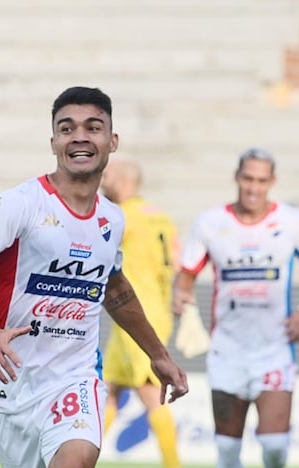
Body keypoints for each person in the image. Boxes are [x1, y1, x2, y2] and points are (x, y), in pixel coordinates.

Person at [0, 86, 188, 468]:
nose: (80, 136)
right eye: (67, 129)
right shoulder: (19, 204)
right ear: (53, 143)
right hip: (11, 385)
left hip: (76, 377)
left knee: (75, 460)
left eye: (93, 127)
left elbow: (113, 286)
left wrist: (158, 354)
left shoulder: (113, 218)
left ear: (112, 141)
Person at [172, 147, 299, 468]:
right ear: (236, 177)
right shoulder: (210, 223)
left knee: (274, 446)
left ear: (272, 181)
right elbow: (185, 276)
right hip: (227, 351)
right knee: (227, 453)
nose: (253, 188)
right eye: (247, 179)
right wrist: (181, 299)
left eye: (261, 180)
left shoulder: (293, 222)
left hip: (274, 349)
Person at [99, 157, 182, 468]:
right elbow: (176, 258)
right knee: (109, 390)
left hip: (137, 315)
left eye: (106, 175)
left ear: (123, 181)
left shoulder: (123, 217)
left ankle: (174, 465)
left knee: (150, 393)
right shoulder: (161, 218)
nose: (101, 180)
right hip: (148, 312)